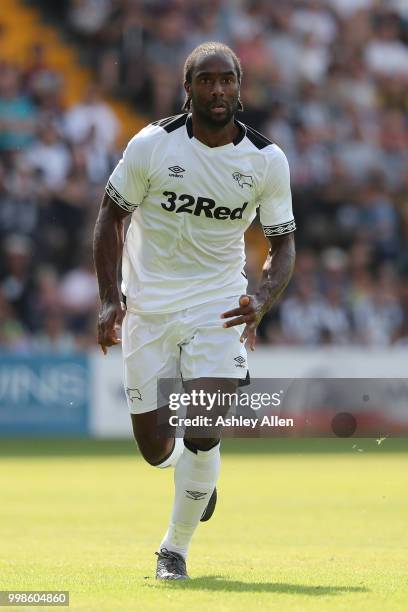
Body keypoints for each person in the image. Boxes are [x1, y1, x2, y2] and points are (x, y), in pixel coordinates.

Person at [93, 41, 296, 580]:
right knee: (156, 450)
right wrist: (110, 298)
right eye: (205, 81)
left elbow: (283, 242)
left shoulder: (265, 161)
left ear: (239, 86)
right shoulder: (151, 146)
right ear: (188, 91)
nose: (217, 90)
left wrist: (263, 297)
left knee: (204, 426)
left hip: (218, 304)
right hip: (150, 305)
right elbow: (110, 217)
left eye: (226, 80)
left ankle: (173, 550)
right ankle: (194, 477)